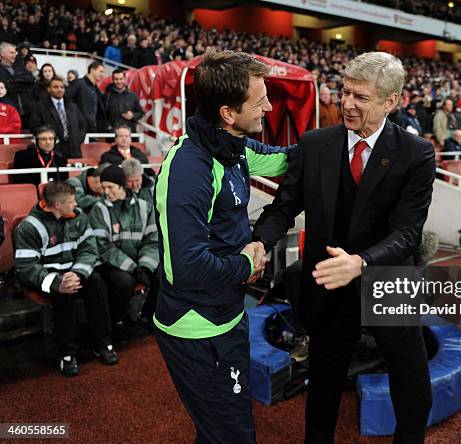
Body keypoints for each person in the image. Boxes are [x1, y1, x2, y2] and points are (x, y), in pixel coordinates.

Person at [253, 51, 436, 443]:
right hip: (329, 284)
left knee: (412, 381)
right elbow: (283, 207)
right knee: (324, 382)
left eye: (361, 97)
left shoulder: (416, 154)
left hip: (388, 280)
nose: (348, 104)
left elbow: (408, 233)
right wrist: (259, 243)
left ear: (391, 101)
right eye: (345, 92)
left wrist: (362, 262)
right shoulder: (315, 143)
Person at [153, 49, 294, 444]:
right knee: (233, 435)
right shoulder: (189, 169)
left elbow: (288, 161)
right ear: (228, 113)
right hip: (196, 326)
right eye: (260, 99)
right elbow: (187, 267)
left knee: (221, 430)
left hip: (228, 314)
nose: (269, 106)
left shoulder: (233, 145)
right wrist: (247, 265)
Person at [14, 180, 117, 377]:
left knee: (96, 283)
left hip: (74, 272)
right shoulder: (29, 226)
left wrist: (77, 273)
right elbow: (26, 268)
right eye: (71, 202)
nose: (75, 205)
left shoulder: (79, 217)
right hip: (47, 277)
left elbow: (89, 249)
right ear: (57, 205)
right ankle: (67, 353)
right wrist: (56, 282)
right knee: (63, 297)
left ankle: (102, 342)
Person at [89, 165, 159, 342]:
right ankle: (117, 321)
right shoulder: (99, 209)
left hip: (138, 260)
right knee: (124, 282)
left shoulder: (145, 207)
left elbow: (152, 240)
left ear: (122, 186)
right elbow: (104, 248)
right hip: (111, 263)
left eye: (110, 187)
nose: (106, 192)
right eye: (103, 188)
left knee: (163, 273)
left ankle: (147, 315)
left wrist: (145, 266)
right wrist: (134, 268)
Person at [30, 76, 87, 158]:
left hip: (73, 149)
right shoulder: (40, 107)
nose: (59, 89)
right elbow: (35, 127)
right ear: (49, 89)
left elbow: (82, 125)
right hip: (52, 149)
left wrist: (77, 140)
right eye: (55, 87)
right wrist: (49, 140)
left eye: (62, 87)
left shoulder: (72, 106)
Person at [0, 42, 35, 128]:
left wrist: (10, 82)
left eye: (15, 52)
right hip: (9, 112)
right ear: (2, 54)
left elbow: (30, 81)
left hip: (29, 111)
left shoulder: (21, 66)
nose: (15, 55)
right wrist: (21, 84)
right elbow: (6, 87)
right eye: (11, 52)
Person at [66, 61, 107, 133]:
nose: (102, 75)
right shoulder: (78, 83)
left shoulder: (96, 89)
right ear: (92, 70)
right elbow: (67, 101)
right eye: (101, 71)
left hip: (92, 128)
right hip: (79, 128)